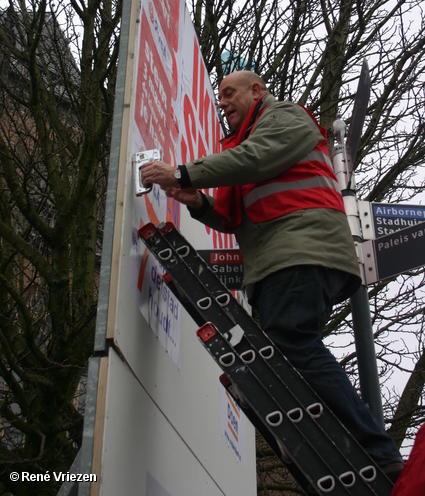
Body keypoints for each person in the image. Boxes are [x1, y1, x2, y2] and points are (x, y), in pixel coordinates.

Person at [141, 69, 404, 481]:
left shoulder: (283, 117)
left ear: (256, 90)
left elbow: (256, 159)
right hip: (282, 259)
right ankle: (351, 447)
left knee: (293, 342)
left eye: (230, 93)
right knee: (289, 349)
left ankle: (375, 450)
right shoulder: (244, 145)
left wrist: (182, 173)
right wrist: (196, 201)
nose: (222, 102)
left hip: (301, 250)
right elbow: (231, 216)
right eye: (219, 96)